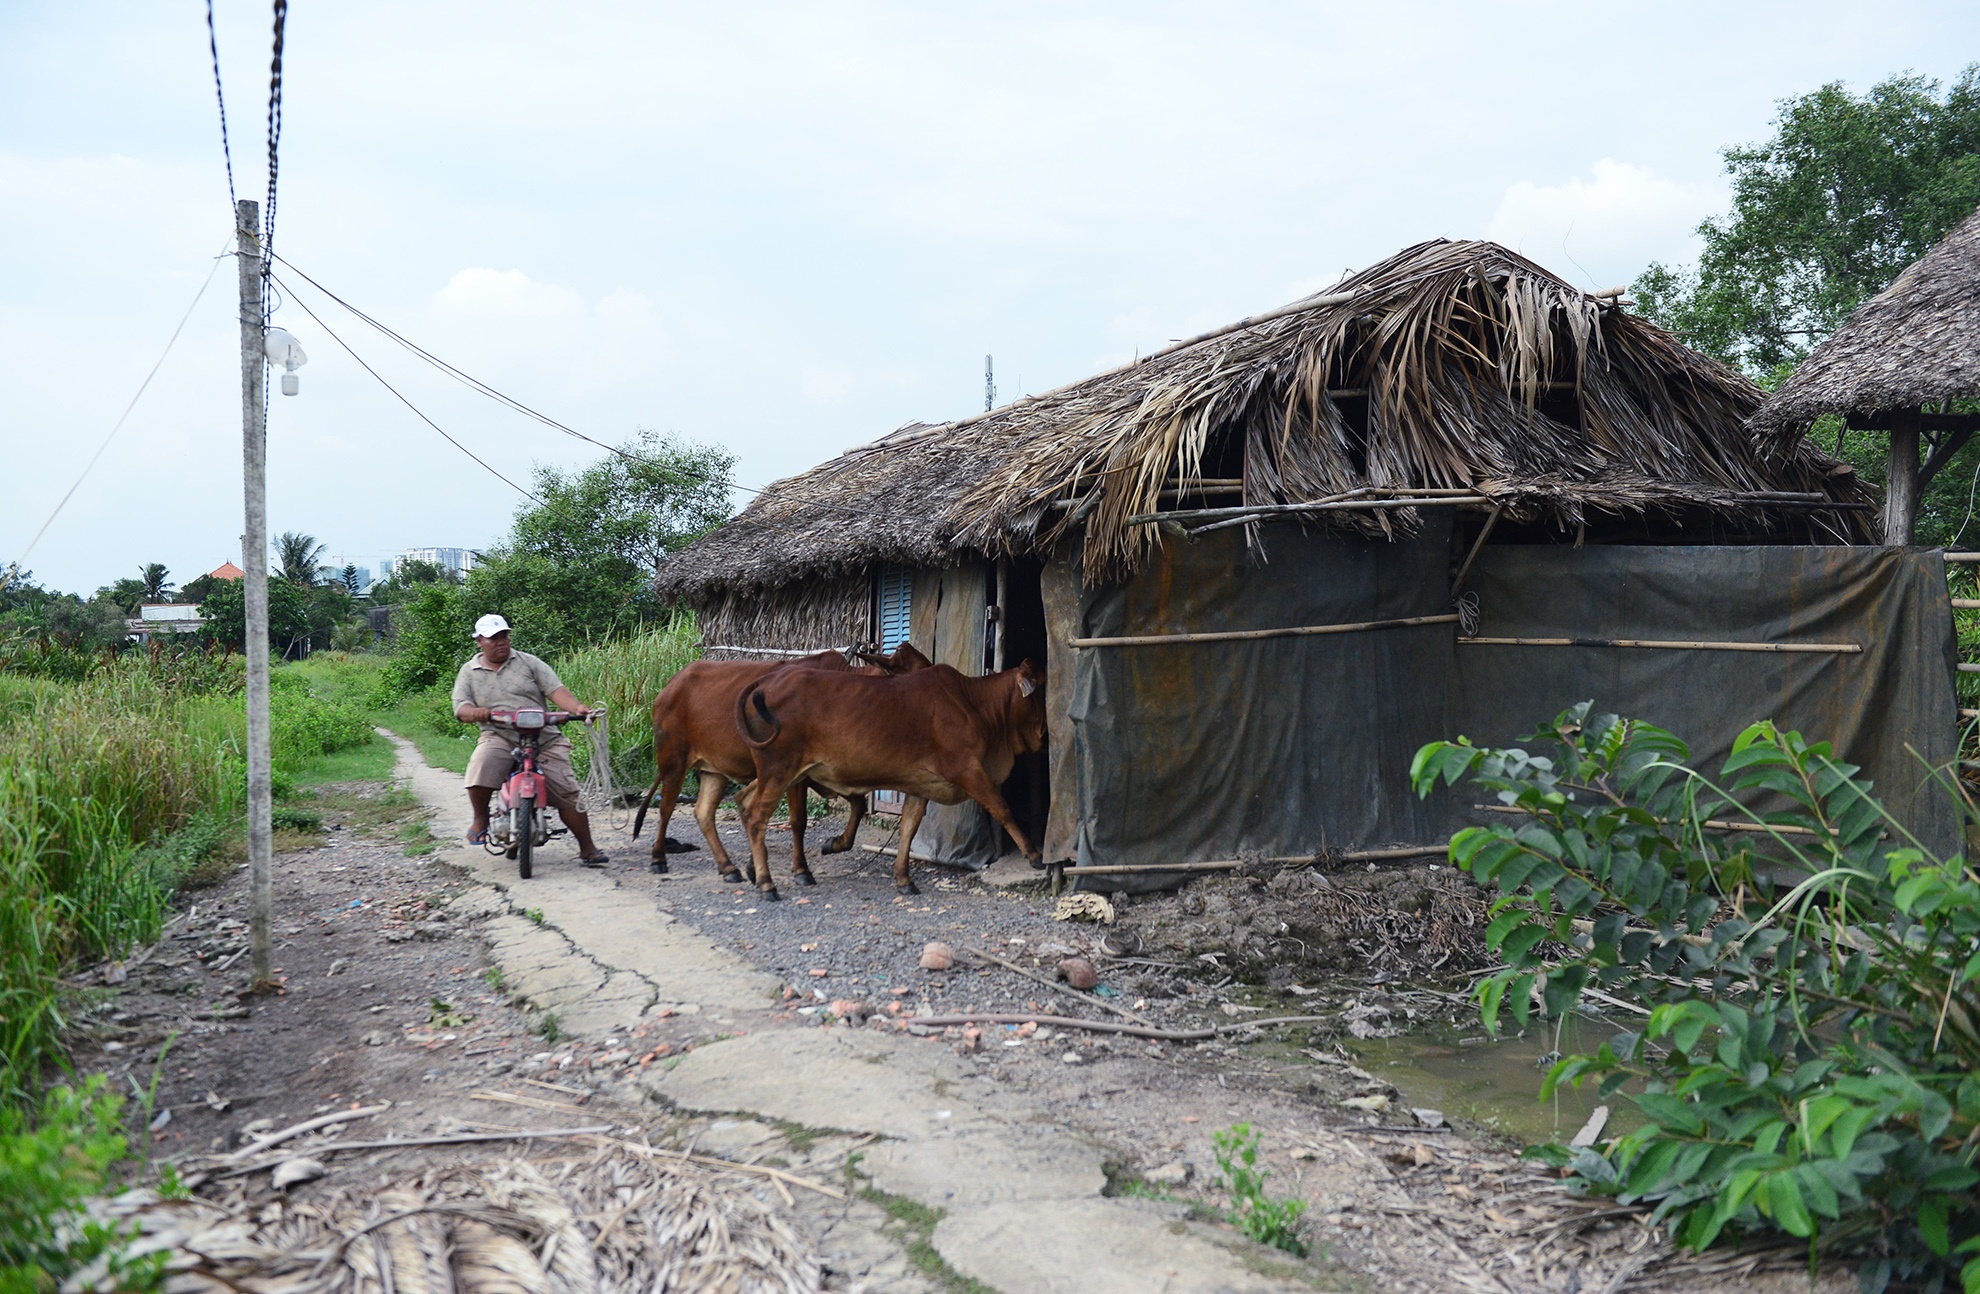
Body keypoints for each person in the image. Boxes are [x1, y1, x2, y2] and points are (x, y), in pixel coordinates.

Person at [452, 614, 610, 867]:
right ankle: (480, 819)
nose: (501, 642)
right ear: (480, 641)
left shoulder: (528, 662)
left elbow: (556, 690)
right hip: (499, 734)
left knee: (568, 791)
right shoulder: (469, 671)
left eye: (504, 636)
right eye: (494, 638)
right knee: (481, 764)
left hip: (543, 736)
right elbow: (461, 707)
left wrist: (578, 708)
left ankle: (587, 848)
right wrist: (476, 713)